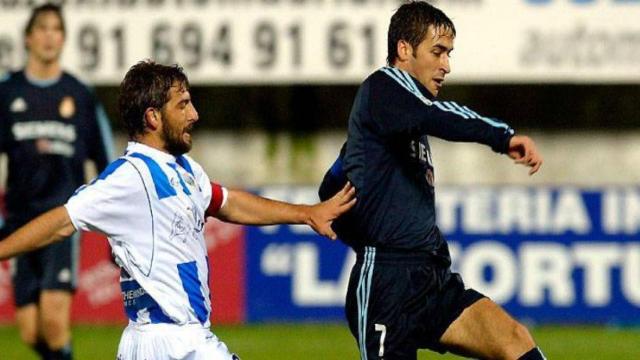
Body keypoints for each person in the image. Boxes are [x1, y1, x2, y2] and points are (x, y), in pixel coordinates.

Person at [0, 59, 356, 359]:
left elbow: (228, 203)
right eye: (183, 104)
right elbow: (64, 221)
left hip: (171, 341)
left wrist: (306, 213)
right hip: (170, 341)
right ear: (153, 117)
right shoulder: (131, 176)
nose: (195, 114)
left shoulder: (184, 169)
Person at [318, 2, 545, 360]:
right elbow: (438, 115)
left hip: (430, 276)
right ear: (404, 49)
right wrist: (502, 136)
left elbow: (333, 182)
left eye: (449, 54)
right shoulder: (384, 87)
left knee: (515, 340)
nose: (446, 65)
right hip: (388, 285)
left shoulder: (393, 113)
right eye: (437, 52)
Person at [0, 4, 114, 359]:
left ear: (63, 39)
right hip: (19, 221)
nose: (50, 36)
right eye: (43, 28)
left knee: (53, 320)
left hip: (64, 217)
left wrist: (111, 221)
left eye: (57, 29)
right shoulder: (8, 91)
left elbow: (106, 157)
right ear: (29, 38)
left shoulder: (79, 94)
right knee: (31, 330)